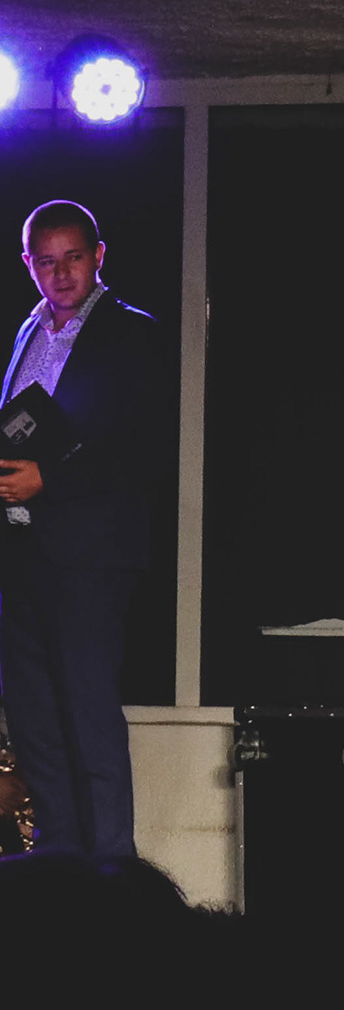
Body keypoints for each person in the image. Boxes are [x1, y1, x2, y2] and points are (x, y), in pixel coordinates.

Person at [0, 199, 159, 856]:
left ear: (98, 256)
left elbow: (138, 447)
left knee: (88, 715)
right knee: (34, 719)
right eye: (46, 261)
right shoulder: (27, 331)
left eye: (73, 258)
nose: (60, 273)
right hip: (21, 548)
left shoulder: (131, 333)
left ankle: (112, 874)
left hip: (89, 553)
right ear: (27, 263)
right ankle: (59, 868)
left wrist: (49, 481)